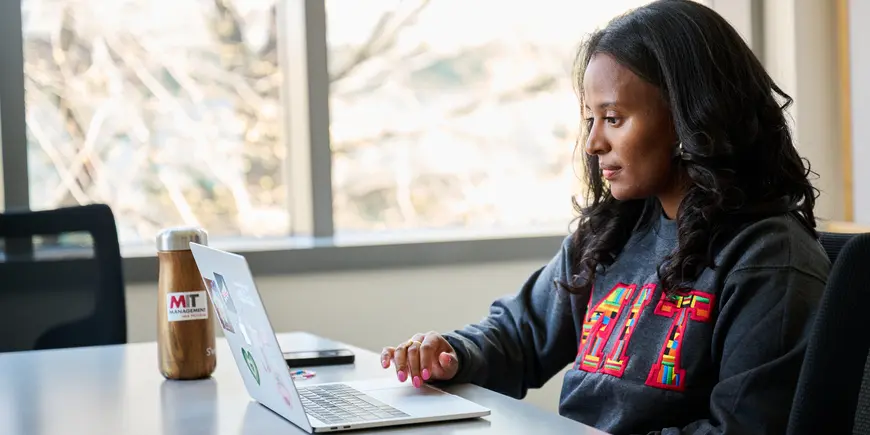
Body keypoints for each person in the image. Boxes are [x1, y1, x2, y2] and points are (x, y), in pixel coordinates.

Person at [379, 1, 830, 434]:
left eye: (613, 118)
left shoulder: (769, 259)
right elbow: (520, 335)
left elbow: (744, 429)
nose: (593, 143)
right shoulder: (613, 232)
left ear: (690, 118)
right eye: (590, 119)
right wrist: (453, 352)